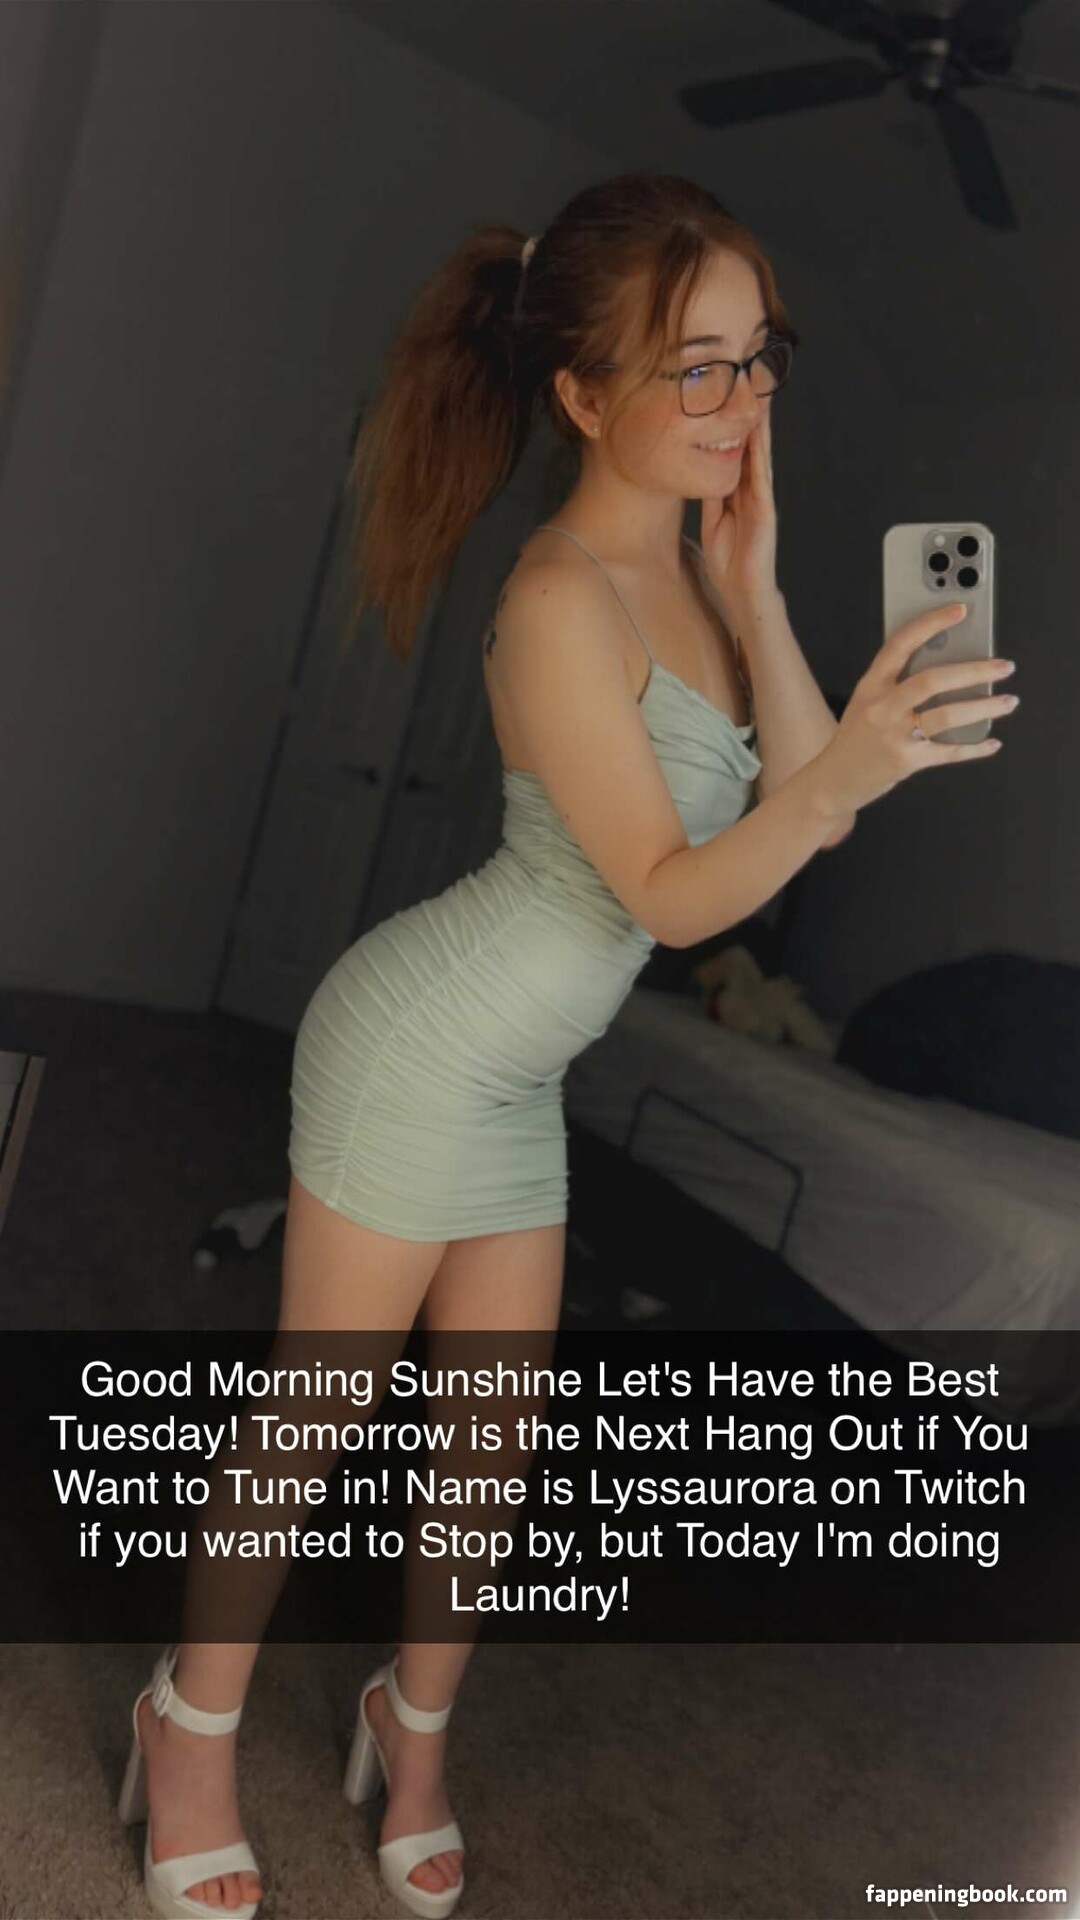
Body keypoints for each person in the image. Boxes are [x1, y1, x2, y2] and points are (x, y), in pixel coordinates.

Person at [116, 170, 1017, 1920]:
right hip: (414, 1046)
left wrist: (758, 584)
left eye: (759, 357)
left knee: (489, 1445)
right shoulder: (556, 597)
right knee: (316, 1415)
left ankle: (409, 1728)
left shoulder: (693, 568)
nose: (742, 402)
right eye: (696, 366)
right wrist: (837, 768)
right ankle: (188, 1723)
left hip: (513, 1075)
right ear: (584, 396)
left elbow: (806, 802)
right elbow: (676, 901)